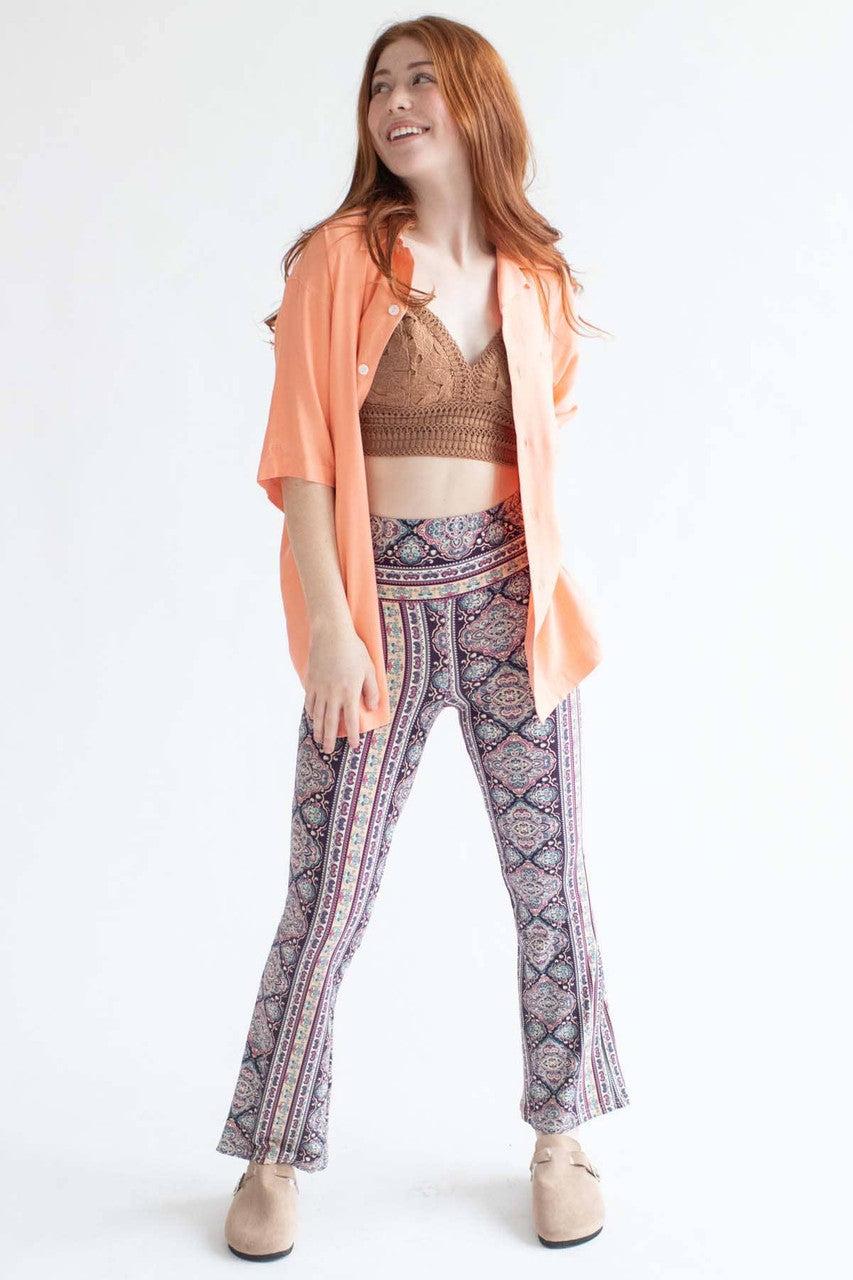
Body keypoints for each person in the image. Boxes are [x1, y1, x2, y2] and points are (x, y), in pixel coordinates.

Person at [216, 16, 630, 1261]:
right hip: (376, 609)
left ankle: (561, 1135)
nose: (394, 104)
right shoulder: (340, 258)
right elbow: (301, 460)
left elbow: (548, 437)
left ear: (475, 105)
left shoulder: (535, 275)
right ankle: (273, 1150)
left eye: (421, 83)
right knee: (328, 893)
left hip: (510, 602)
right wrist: (333, 628)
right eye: (380, 86)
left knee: (550, 883)